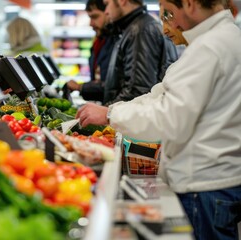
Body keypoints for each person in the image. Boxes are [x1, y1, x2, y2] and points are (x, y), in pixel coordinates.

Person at [76, 0, 241, 238]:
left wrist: (111, 114)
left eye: (168, 15)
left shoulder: (208, 47)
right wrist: (115, 111)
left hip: (204, 183)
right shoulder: (226, 38)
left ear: (190, 4)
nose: (165, 28)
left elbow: (170, 117)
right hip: (221, 178)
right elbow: (161, 95)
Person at [101, 0, 178, 105]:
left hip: (131, 117)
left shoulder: (140, 31)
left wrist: (107, 112)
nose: (105, 11)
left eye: (107, 4)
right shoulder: (135, 28)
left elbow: (138, 91)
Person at [65, 0, 115, 102]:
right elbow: (100, 79)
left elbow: (115, 86)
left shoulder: (118, 41)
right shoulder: (99, 42)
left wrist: (81, 87)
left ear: (108, 12)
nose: (91, 23)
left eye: (95, 17)